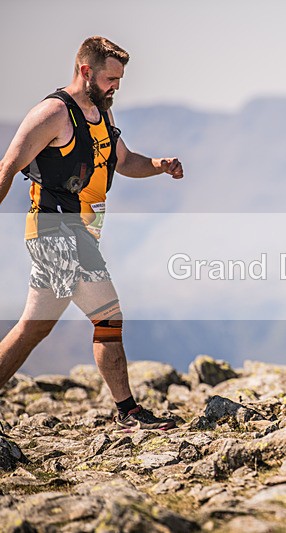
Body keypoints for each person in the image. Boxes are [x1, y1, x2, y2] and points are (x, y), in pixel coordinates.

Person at [0, 36, 184, 430]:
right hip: (56, 231)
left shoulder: (102, 114)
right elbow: (7, 168)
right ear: (86, 71)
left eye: (119, 80)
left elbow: (124, 160)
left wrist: (159, 164)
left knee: (34, 327)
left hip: (80, 231)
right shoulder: (52, 114)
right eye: (109, 79)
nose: (115, 86)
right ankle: (128, 412)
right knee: (108, 316)